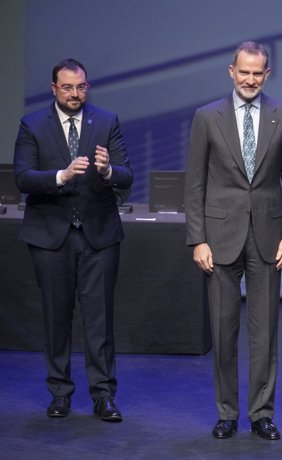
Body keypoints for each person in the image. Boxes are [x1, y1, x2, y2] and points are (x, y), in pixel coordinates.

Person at [184, 41, 282, 441]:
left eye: (258, 73)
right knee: (223, 329)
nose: (250, 79)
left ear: (267, 75)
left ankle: (261, 413)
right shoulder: (206, 117)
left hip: (269, 237)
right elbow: (195, 183)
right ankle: (226, 412)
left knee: (265, 332)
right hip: (218, 237)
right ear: (231, 71)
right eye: (244, 72)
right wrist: (197, 239)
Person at [13, 58, 133, 422]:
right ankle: (60, 392)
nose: (75, 94)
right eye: (67, 87)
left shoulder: (106, 121)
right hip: (51, 237)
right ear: (54, 89)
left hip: (98, 236)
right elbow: (23, 177)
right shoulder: (33, 124)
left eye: (80, 87)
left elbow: (126, 175)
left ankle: (103, 396)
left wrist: (108, 170)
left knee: (99, 320)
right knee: (56, 318)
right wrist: (61, 176)